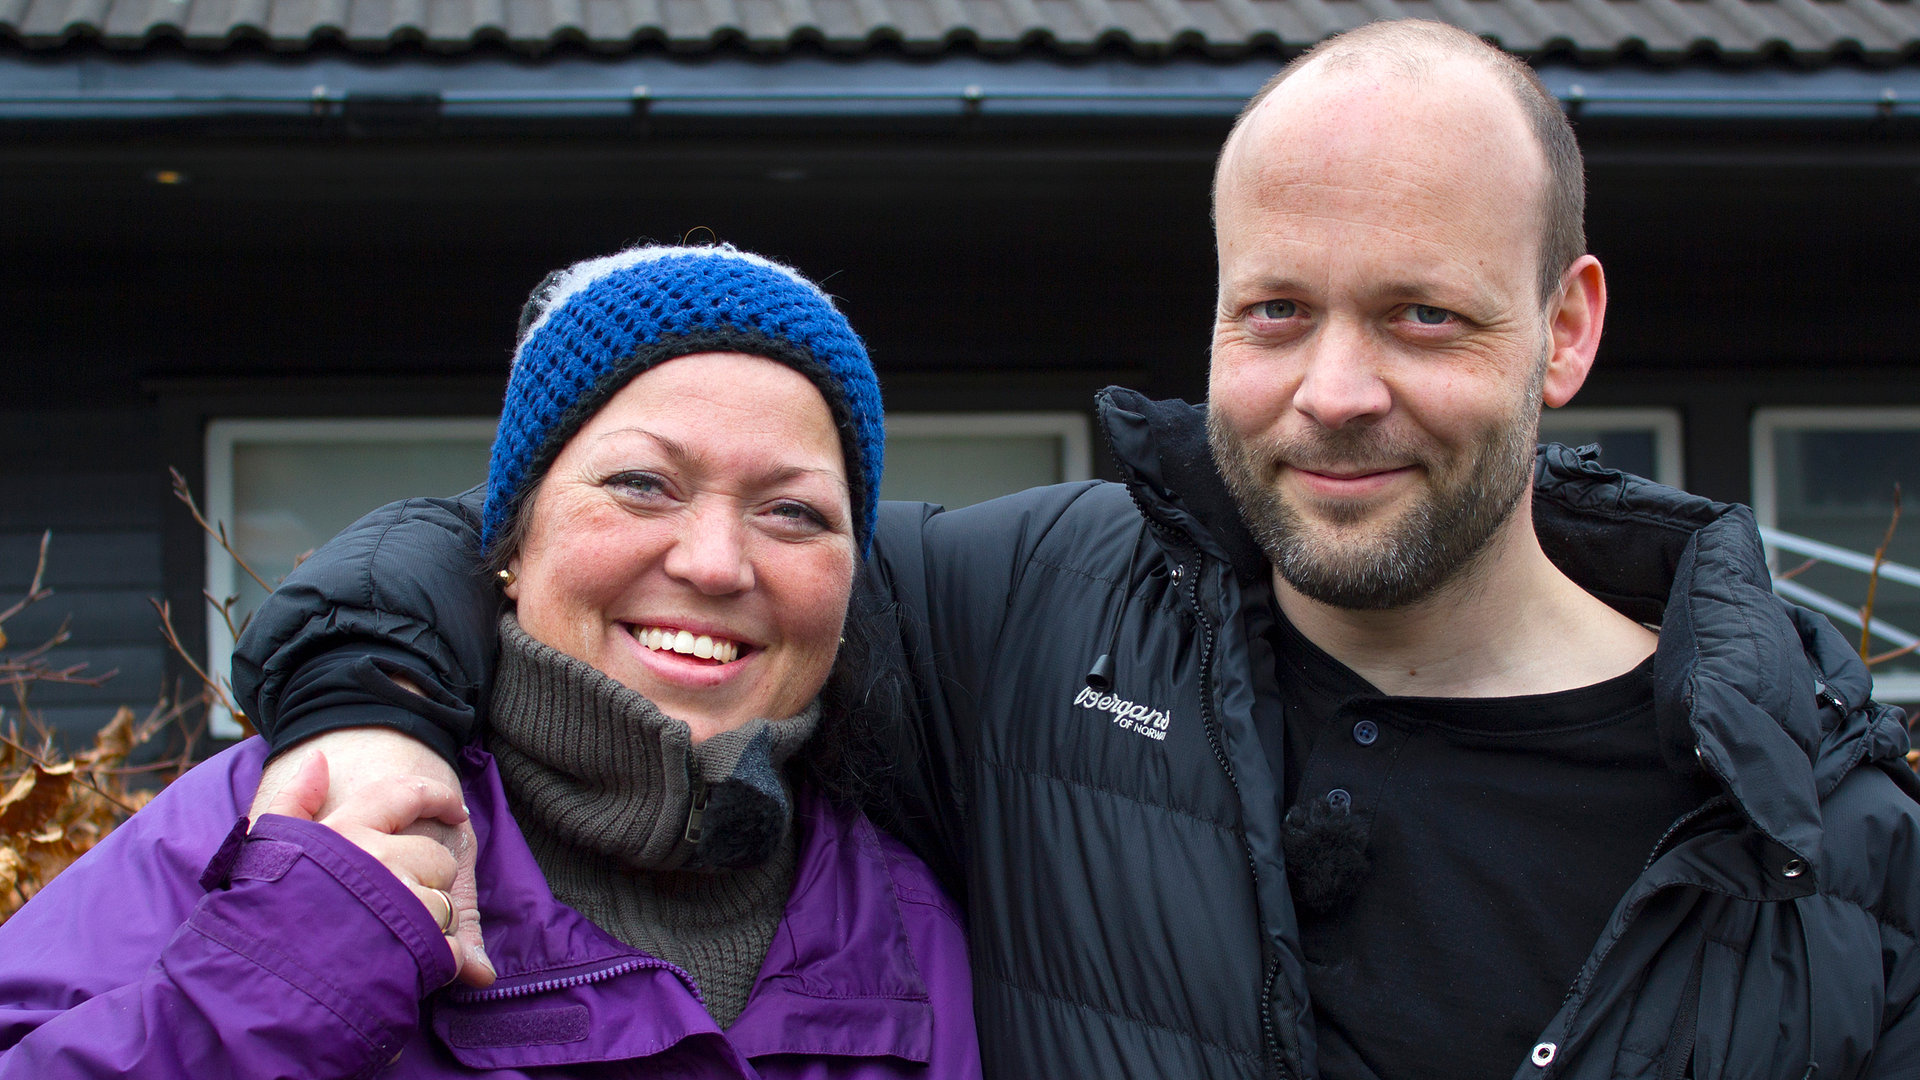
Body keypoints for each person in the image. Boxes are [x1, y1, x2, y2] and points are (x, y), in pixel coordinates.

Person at [215, 19, 1919, 1080]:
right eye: (1275, 311)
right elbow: (600, 560)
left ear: (1566, 331)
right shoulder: (1031, 620)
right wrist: (367, 701)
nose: (1334, 392)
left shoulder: (1820, 844)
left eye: (1422, 316)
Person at [0, 245, 981, 1079]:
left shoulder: (922, 923)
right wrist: (289, 969)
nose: (716, 562)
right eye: (642, 485)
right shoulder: (289, 820)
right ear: (510, 540)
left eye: (795, 511)